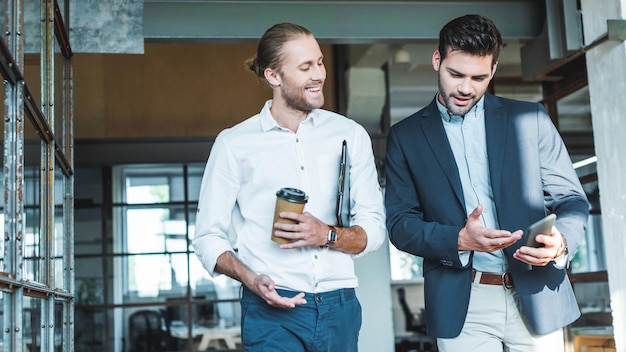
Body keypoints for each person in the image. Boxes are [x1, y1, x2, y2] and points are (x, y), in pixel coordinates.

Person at [384, 14, 589, 352]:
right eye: (456, 74)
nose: (466, 88)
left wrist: (561, 241)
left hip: (537, 295)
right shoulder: (406, 137)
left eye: (479, 77)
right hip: (464, 302)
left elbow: (572, 200)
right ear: (438, 60)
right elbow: (400, 224)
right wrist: (459, 239)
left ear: (493, 70)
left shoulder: (530, 119)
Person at [192, 22, 386, 352]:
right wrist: (251, 279)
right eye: (305, 66)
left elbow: (374, 230)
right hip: (270, 308)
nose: (319, 74)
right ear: (274, 76)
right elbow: (207, 237)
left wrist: (326, 234)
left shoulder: (350, 135)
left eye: (320, 62)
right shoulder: (233, 144)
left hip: (340, 307)